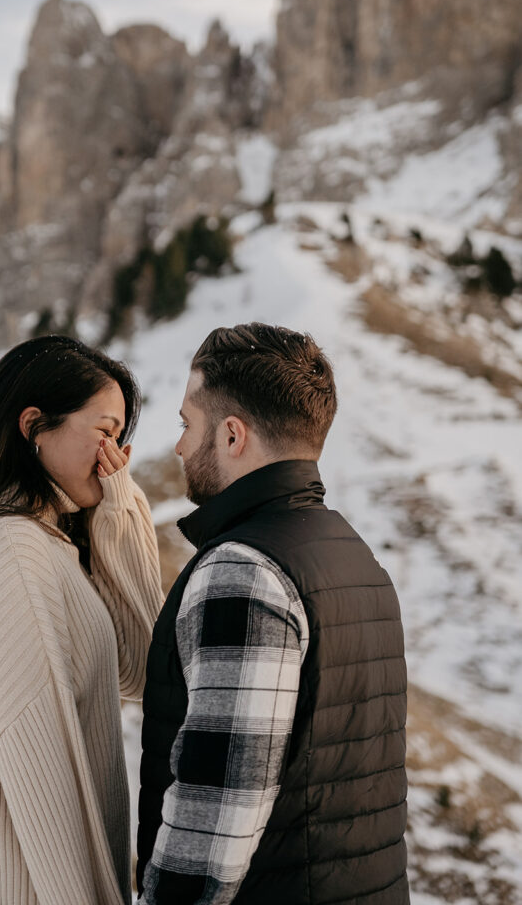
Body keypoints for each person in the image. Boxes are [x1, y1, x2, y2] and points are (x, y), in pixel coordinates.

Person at [137, 323, 409, 904]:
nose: (180, 446)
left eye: (188, 424)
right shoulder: (355, 558)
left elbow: (218, 812)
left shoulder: (244, 571)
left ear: (232, 435)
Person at [0, 334, 163, 905]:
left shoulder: (45, 543)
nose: (118, 456)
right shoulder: (10, 551)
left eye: (123, 438)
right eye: (106, 431)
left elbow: (143, 669)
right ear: (34, 424)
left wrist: (121, 507)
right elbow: (44, 780)